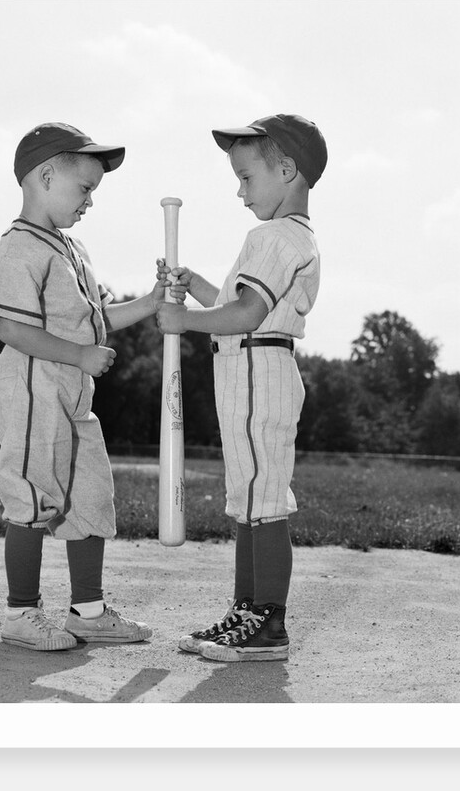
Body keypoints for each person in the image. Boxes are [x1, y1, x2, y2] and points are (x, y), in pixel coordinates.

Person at [0, 121, 185, 651]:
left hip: (73, 393)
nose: (90, 201)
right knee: (33, 493)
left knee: (92, 496)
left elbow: (96, 320)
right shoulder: (15, 249)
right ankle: (21, 613)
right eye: (86, 188)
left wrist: (153, 299)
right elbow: (11, 327)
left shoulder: (73, 250)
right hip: (32, 388)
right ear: (46, 176)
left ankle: (88, 611)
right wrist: (78, 355)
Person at [156, 113, 327, 662]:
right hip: (246, 371)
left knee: (265, 501)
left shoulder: (277, 235)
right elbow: (235, 301)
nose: (239, 190)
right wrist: (194, 287)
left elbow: (248, 311)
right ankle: (246, 613)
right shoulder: (278, 237)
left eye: (247, 177)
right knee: (249, 501)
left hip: (260, 370)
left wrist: (182, 323)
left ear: (287, 169)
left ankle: (268, 624)